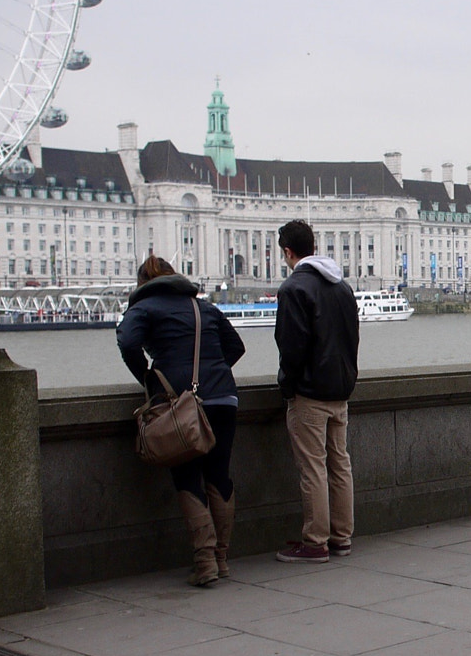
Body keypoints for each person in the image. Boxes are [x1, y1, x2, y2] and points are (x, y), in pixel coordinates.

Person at [117, 255, 246, 585]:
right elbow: (236, 346)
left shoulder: (144, 307)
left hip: (180, 404)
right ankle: (223, 558)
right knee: (219, 474)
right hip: (223, 399)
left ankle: (205, 564)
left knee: (188, 476)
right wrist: (212, 371)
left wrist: (148, 377)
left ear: (142, 282)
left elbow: (127, 341)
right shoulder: (203, 307)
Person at [273, 219, 360, 562]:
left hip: (309, 392)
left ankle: (315, 542)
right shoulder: (341, 287)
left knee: (313, 467)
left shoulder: (294, 288)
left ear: (288, 252)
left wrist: (287, 386)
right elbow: (352, 337)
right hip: (340, 390)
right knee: (340, 464)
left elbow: (291, 346)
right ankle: (342, 537)